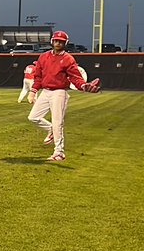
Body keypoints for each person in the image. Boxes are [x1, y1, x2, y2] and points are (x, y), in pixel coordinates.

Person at [27, 30, 101, 161]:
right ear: (52, 41)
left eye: (61, 42)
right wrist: (33, 91)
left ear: (65, 43)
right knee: (33, 117)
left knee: (57, 122)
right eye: (56, 40)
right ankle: (50, 130)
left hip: (59, 92)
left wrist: (83, 86)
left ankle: (59, 152)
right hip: (46, 91)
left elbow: (75, 77)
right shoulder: (43, 57)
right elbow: (38, 76)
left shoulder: (68, 59)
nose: (58, 43)